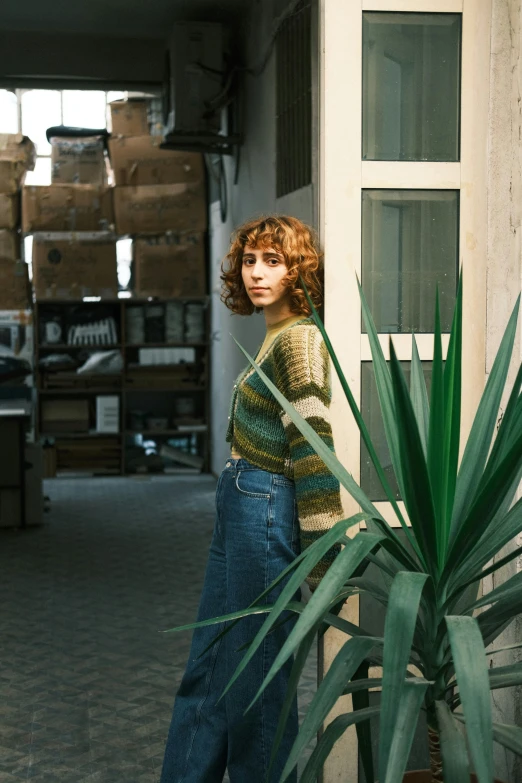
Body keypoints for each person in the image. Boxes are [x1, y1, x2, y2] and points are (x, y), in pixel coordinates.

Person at [160, 215, 343, 783]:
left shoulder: (301, 340)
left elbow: (314, 448)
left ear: (298, 271)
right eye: (249, 260)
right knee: (210, 663)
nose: (258, 272)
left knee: (258, 675)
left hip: (265, 506)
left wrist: (326, 556)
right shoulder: (273, 332)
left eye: (273, 260)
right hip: (240, 504)